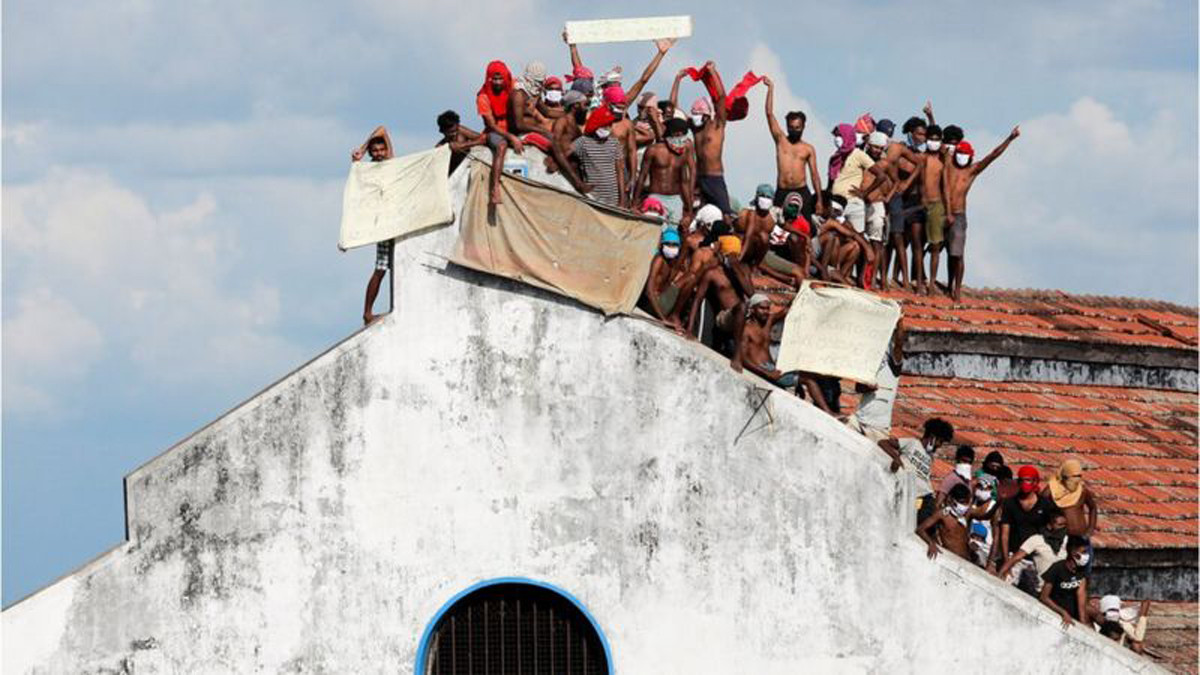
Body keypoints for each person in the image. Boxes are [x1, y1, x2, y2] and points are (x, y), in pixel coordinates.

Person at [944, 127, 1020, 300]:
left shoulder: (972, 170)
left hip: (959, 214)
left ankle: (957, 289)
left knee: (957, 254)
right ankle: (947, 285)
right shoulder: (948, 164)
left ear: (970, 156)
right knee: (946, 251)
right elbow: (941, 141)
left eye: (965, 154)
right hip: (944, 211)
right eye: (959, 153)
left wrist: (1010, 138)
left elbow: (993, 155)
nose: (961, 156)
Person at [738, 295, 831, 410]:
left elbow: (787, 310)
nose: (766, 311)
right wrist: (767, 373)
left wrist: (803, 292)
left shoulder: (768, 321)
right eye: (762, 308)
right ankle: (828, 412)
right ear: (752, 309)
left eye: (767, 308)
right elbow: (743, 359)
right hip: (763, 370)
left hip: (773, 367)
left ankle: (827, 409)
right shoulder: (746, 330)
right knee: (808, 379)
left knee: (811, 372)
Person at [350, 126, 396, 325]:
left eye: (381, 150)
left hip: (396, 222)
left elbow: (382, 130)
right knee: (381, 268)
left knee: (399, 266)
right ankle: (367, 313)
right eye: (375, 151)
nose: (379, 154)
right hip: (382, 224)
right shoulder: (366, 170)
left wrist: (363, 146)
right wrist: (360, 157)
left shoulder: (390, 163)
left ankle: (397, 308)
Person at [763, 77, 823, 219]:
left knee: (807, 226)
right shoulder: (780, 140)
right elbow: (769, 114)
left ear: (803, 127)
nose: (794, 130)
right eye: (791, 127)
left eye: (797, 127)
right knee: (777, 226)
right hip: (782, 191)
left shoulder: (808, 149)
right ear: (787, 127)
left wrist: (819, 200)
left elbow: (815, 175)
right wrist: (771, 88)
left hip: (801, 190)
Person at [682, 62, 733, 221]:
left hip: (714, 178)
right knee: (694, 214)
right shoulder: (696, 129)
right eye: (694, 114)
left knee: (725, 215)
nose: (695, 117)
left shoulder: (717, 125)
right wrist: (677, 81)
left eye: (698, 114)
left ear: (706, 115)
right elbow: (675, 111)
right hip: (699, 178)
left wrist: (713, 72)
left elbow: (722, 98)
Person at [829, 124, 877, 286]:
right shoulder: (835, 158)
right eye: (835, 136)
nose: (837, 139)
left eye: (839, 135)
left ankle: (861, 277)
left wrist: (865, 192)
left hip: (854, 203)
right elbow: (830, 183)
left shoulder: (858, 155)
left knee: (858, 238)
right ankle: (841, 274)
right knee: (839, 238)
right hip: (837, 204)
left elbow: (881, 175)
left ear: (847, 136)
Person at [997, 465, 1057, 593]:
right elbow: (1004, 534)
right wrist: (1007, 561)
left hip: (1035, 558)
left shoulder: (1045, 505)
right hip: (1014, 555)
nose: (1025, 483)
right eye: (1022, 480)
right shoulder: (1010, 503)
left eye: (1028, 480)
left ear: (1035, 482)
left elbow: (1052, 529)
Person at [847, 318, 904, 442]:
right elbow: (858, 388)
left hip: (878, 427)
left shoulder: (894, 366)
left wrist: (900, 321)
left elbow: (899, 343)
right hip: (859, 420)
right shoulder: (869, 365)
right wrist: (868, 387)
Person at [632, 118, 696, 227]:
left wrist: (689, 211)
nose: (680, 138)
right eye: (677, 134)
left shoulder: (685, 151)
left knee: (673, 233)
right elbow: (642, 177)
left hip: (676, 199)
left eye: (683, 135)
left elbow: (684, 181)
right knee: (655, 231)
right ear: (671, 133)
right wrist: (634, 203)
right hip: (656, 198)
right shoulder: (653, 150)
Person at [476, 61, 524, 205]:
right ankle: (495, 188)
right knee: (501, 146)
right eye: (494, 79)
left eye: (500, 78)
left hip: (514, 126)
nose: (497, 82)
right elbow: (491, 125)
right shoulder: (483, 97)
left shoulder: (513, 85)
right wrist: (511, 137)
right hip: (495, 131)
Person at [849, 131, 894, 282]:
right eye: (875, 147)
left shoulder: (885, 164)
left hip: (876, 204)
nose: (877, 150)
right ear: (869, 145)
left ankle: (872, 278)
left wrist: (887, 197)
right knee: (857, 238)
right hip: (858, 203)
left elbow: (896, 182)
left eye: (880, 148)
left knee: (876, 241)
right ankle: (855, 275)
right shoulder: (860, 158)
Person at [740, 184, 805, 288]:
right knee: (763, 237)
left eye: (768, 197)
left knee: (799, 272)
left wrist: (804, 235)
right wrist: (740, 257)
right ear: (757, 197)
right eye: (763, 196)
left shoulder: (775, 213)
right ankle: (757, 269)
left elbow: (784, 225)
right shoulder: (748, 212)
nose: (765, 199)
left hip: (763, 255)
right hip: (747, 252)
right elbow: (747, 236)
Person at [996, 509, 1070, 592]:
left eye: (1065, 525)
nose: (1063, 528)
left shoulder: (1068, 543)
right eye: (1059, 525)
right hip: (1041, 589)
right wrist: (999, 575)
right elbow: (1016, 558)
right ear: (1050, 525)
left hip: (1061, 590)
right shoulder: (1037, 540)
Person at [644, 228, 701, 334]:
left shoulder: (671, 263)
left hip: (663, 302)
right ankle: (674, 315)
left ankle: (675, 315)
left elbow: (682, 257)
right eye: (668, 244)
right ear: (662, 245)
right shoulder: (659, 260)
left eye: (674, 245)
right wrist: (663, 319)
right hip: (654, 306)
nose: (671, 247)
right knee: (690, 277)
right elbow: (649, 291)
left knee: (691, 276)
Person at [571, 107, 626, 208]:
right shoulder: (583, 142)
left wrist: (622, 200)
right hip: (591, 198)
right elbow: (564, 155)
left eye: (609, 125)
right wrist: (578, 182)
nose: (607, 128)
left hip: (613, 199)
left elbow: (620, 172)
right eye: (604, 125)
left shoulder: (614, 143)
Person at [876, 417, 954, 482]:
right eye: (940, 441)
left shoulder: (930, 458)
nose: (939, 445)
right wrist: (896, 458)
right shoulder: (912, 443)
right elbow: (883, 443)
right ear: (932, 437)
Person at [1039, 536, 1092, 628]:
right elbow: (1044, 597)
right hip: (1056, 614)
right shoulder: (1057, 568)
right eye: (1083, 552)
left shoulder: (1082, 571)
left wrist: (1083, 624)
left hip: (1073, 616)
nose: (1086, 556)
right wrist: (1063, 613)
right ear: (1073, 552)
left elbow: (1081, 597)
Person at [918, 124, 947, 295]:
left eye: (937, 139)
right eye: (931, 139)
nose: (933, 142)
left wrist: (930, 117)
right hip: (920, 204)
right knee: (918, 244)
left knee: (935, 246)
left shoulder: (944, 160)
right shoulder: (921, 158)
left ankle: (931, 282)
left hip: (937, 205)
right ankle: (919, 280)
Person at [1042, 458, 1098, 539]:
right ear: (1065, 476)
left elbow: (1093, 507)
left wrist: (1090, 529)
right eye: (1074, 476)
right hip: (1060, 538)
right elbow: (1040, 507)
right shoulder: (1052, 490)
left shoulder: (1082, 491)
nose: (1077, 479)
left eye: (1079, 476)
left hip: (1081, 537)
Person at [916, 483, 972, 561]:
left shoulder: (964, 516)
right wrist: (931, 543)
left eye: (966, 502)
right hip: (951, 559)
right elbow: (920, 529)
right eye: (962, 502)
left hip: (966, 560)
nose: (964, 506)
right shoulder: (943, 514)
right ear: (952, 499)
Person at [510, 61, 554, 137]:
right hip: (521, 134)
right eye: (538, 81)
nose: (539, 84)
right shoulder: (519, 94)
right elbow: (519, 125)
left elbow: (547, 112)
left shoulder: (534, 92)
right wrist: (543, 131)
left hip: (534, 130)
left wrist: (568, 113)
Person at [435, 111, 484, 176]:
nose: (454, 134)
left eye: (456, 130)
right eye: (451, 132)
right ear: (443, 131)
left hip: (470, 166)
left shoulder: (462, 131)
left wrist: (462, 146)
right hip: (454, 174)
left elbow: (483, 139)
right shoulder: (440, 147)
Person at [934, 445, 976, 509]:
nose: (966, 464)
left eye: (969, 462)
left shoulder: (969, 482)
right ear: (957, 460)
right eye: (964, 461)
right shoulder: (951, 479)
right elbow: (939, 501)